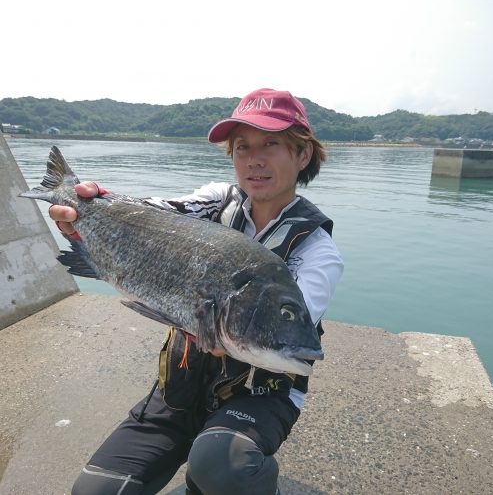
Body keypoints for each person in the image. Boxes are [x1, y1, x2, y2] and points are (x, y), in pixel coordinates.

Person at [50, 88, 344, 495]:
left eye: (272, 144)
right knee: (94, 491)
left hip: (259, 394)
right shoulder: (215, 201)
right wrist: (89, 206)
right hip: (181, 387)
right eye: (243, 147)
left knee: (220, 467)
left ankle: (227, 469)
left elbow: (286, 332)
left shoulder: (316, 250)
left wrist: (231, 328)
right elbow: (154, 214)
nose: (254, 159)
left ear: (303, 155)